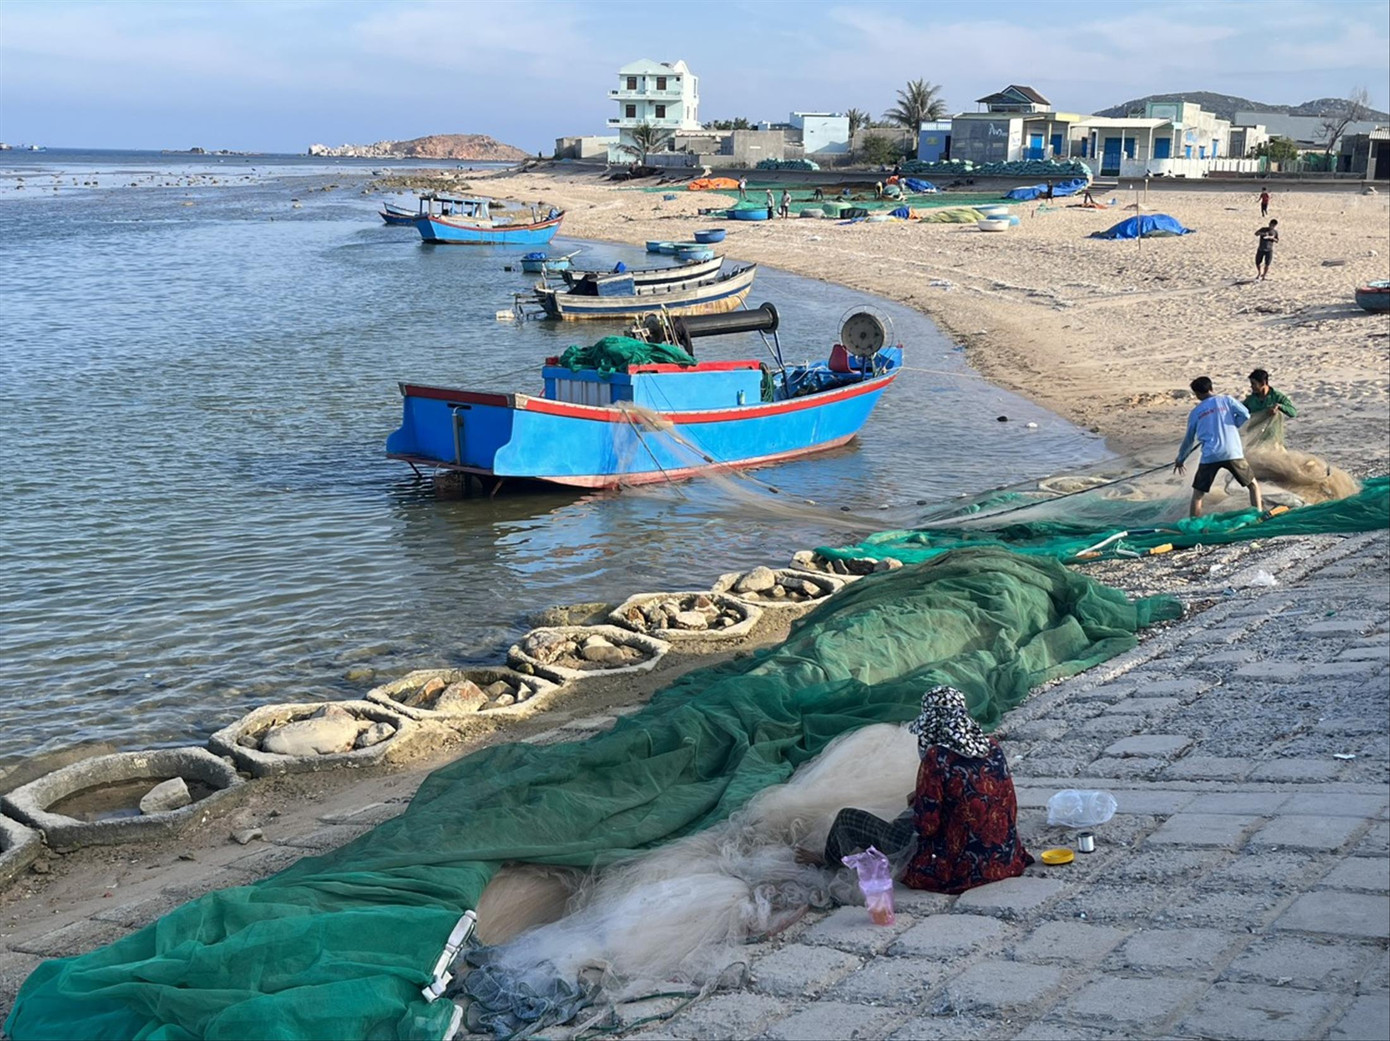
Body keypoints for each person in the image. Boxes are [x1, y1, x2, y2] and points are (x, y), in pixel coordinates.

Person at [796, 687, 1033, 894]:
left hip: (961, 868)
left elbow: (926, 827)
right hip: (1003, 855)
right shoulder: (991, 746)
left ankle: (828, 862)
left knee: (848, 819)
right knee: (914, 806)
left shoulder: (937, 758)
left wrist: (919, 804)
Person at [1174, 376, 1263, 518]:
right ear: (1211, 388)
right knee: (1252, 485)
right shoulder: (1226, 400)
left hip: (1210, 455)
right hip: (1232, 452)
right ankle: (1259, 514)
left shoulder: (1196, 412)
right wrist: (1233, 424)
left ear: (1197, 394)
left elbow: (1189, 438)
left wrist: (1180, 458)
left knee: (1198, 494)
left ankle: (1194, 523)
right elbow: (1245, 414)